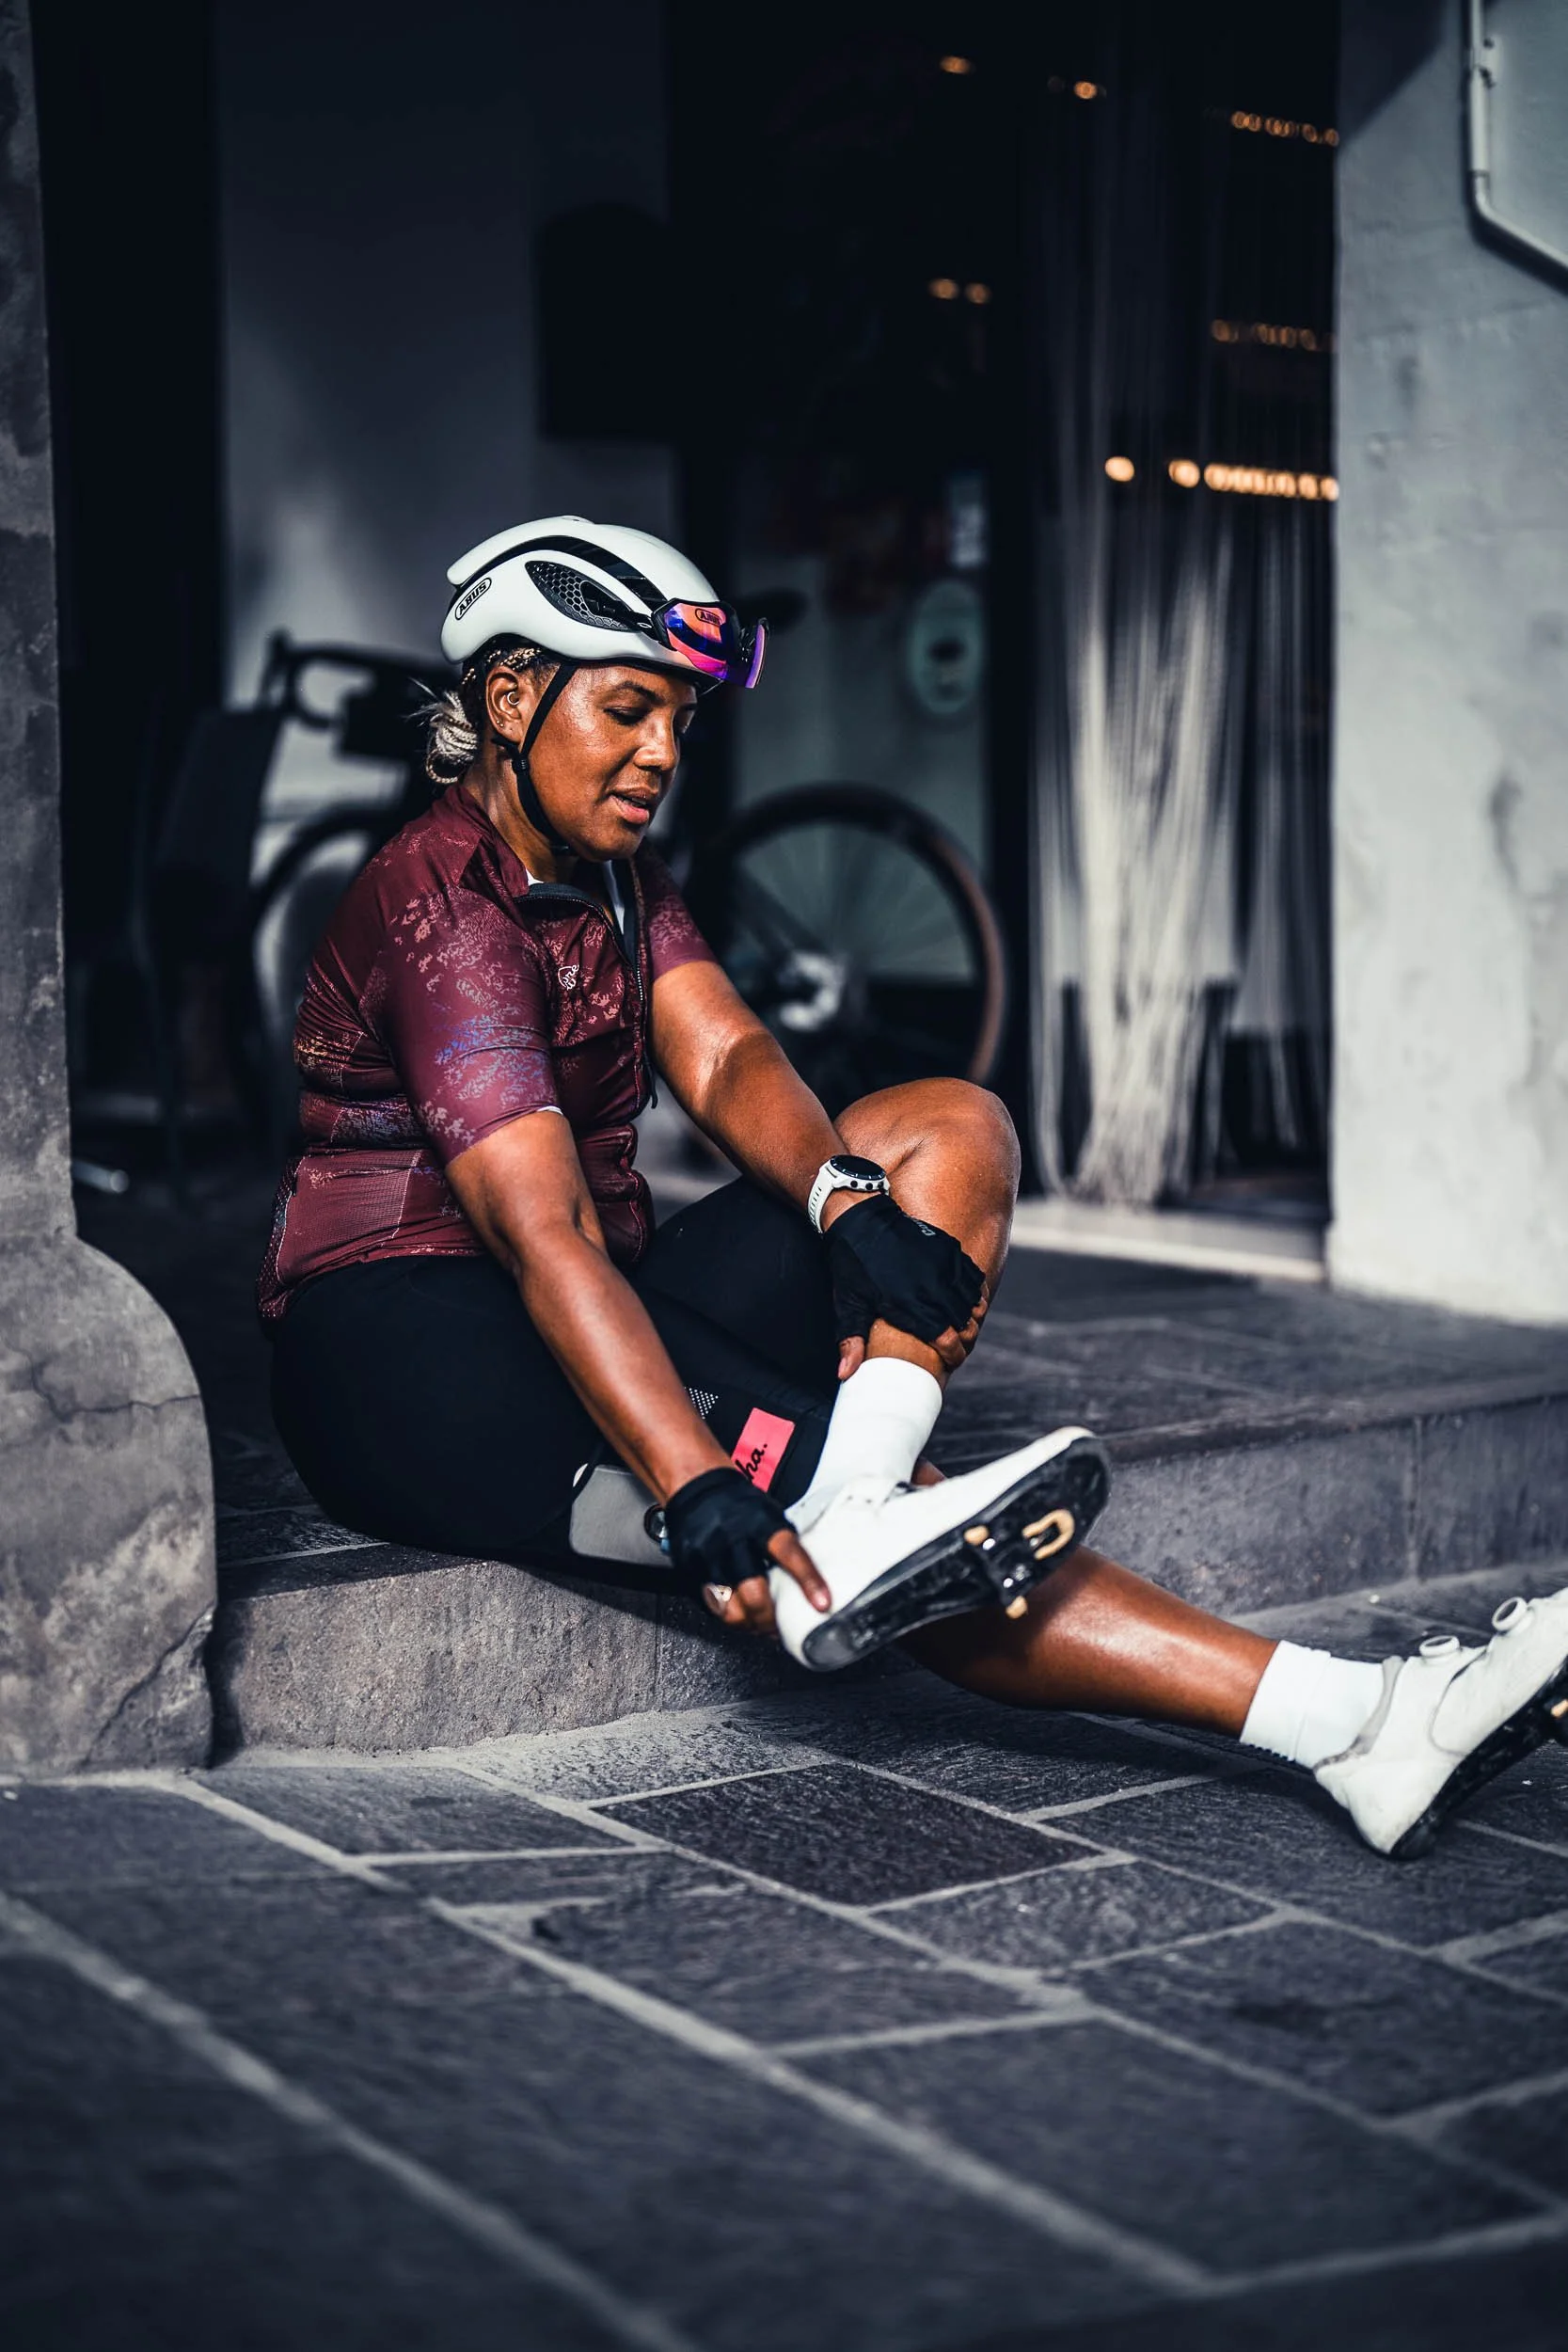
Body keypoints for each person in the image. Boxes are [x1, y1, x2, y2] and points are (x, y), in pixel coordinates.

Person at [261, 515, 1568, 1861]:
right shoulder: (443, 918)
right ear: (514, 695)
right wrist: (689, 1474)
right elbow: (541, 1237)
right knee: (869, 1538)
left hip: (587, 1286)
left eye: (682, 719)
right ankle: (1363, 1723)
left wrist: (847, 1203)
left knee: (945, 1126)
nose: (664, 752)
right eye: (631, 708)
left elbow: (726, 1055)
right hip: (405, 1359)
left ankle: (867, 1484)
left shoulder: (611, 876)